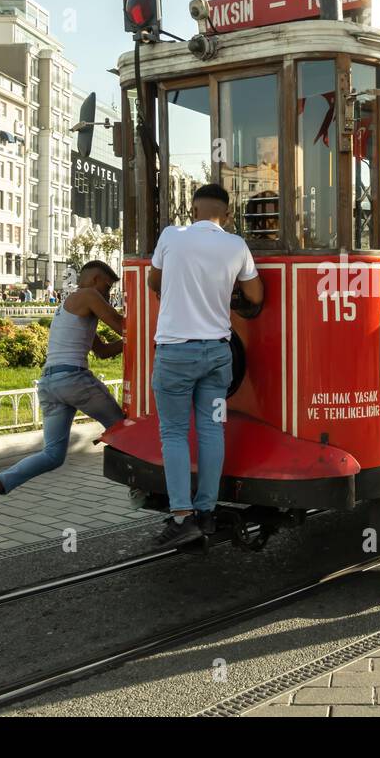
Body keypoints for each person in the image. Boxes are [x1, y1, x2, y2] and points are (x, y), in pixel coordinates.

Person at [0, 260, 127, 531]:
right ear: (96, 280)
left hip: (50, 384)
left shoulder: (70, 306)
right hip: (73, 379)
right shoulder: (88, 296)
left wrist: (129, 341)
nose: (109, 295)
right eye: (108, 287)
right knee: (123, 429)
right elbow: (124, 326)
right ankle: (145, 491)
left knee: (53, 455)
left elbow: (103, 351)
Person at [145, 182, 263, 549]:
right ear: (226, 216)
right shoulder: (236, 245)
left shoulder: (171, 236)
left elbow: (153, 281)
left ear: (193, 211)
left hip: (176, 356)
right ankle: (207, 512)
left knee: (175, 433)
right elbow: (255, 296)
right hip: (217, 356)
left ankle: (183, 517)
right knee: (212, 431)